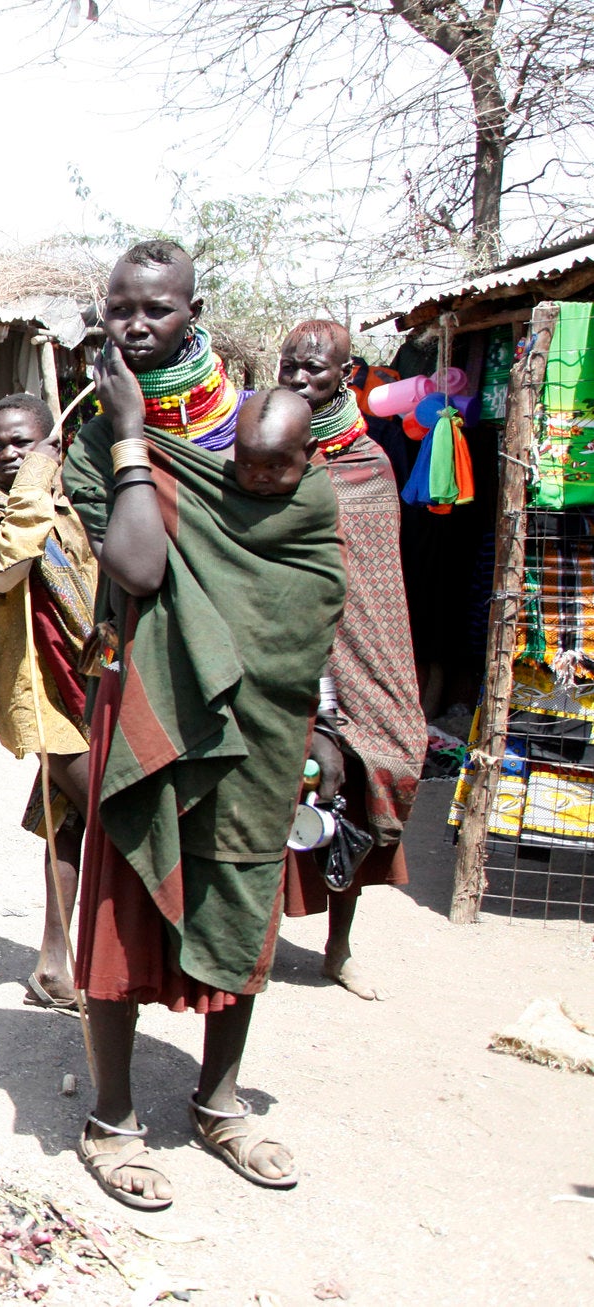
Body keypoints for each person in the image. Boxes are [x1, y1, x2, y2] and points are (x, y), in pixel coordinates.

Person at [62, 239, 346, 1211]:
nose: (134, 326)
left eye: (155, 309)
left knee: (238, 886)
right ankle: (111, 1115)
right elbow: (137, 567)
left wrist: (326, 718)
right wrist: (133, 433)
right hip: (143, 690)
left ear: (194, 311)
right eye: (119, 308)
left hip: (258, 709)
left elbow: (304, 575)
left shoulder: (262, 431)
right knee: (125, 892)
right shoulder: (99, 431)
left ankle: (220, 1101)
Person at [277, 319, 428, 1001]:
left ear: (344, 374)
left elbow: (373, 577)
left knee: (367, 770)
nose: (300, 377)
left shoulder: (367, 463)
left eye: (314, 368)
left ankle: (337, 947)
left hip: (355, 641)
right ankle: (246, 943)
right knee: (272, 784)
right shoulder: (261, 444)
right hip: (279, 633)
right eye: (290, 365)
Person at [0, 393, 98, 1011]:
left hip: (90, 680)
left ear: (50, 445)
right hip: (38, 692)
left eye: (22, 444)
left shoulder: (74, 502)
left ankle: (54, 966)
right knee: (110, 813)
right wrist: (33, 482)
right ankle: (114, 959)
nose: (8, 454)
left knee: (69, 822)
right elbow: (3, 570)